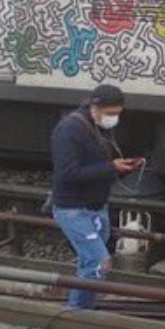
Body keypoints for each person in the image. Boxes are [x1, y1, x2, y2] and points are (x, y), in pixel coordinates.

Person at [50, 84, 142, 312]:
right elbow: (67, 174)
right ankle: (76, 315)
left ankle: (81, 313)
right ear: (95, 107)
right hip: (73, 208)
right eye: (110, 113)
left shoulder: (99, 126)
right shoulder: (69, 130)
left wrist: (121, 168)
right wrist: (111, 167)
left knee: (89, 264)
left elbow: (97, 166)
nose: (114, 119)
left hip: (96, 206)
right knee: (99, 263)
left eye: (118, 114)